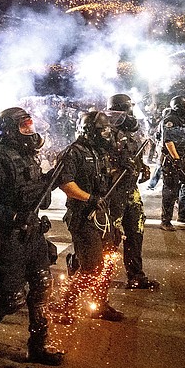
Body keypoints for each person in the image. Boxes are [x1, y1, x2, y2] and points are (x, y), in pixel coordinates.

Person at [0, 107, 64, 365]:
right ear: (10, 130)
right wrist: (13, 217)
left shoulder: (28, 156)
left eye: (30, 126)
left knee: (42, 287)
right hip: (10, 238)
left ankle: (38, 346)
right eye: (24, 127)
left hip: (33, 236)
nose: (30, 132)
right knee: (12, 299)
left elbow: (36, 195)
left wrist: (50, 180)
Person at [55, 110, 122, 321]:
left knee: (108, 261)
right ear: (90, 130)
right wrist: (89, 198)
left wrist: (125, 170)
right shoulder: (72, 153)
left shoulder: (100, 151)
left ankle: (100, 304)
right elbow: (66, 184)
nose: (107, 134)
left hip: (104, 215)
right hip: (83, 216)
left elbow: (105, 176)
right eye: (103, 130)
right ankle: (65, 305)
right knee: (92, 267)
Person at [105, 94, 159, 290]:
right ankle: (86, 273)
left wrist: (141, 166)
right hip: (112, 192)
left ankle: (136, 276)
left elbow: (130, 154)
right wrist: (116, 167)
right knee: (109, 237)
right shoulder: (105, 131)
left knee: (135, 232)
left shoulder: (127, 131)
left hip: (130, 189)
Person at [159, 96, 185, 230]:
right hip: (172, 160)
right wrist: (176, 158)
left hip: (182, 158)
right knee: (170, 190)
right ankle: (165, 221)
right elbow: (168, 141)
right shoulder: (171, 119)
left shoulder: (182, 119)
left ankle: (183, 215)